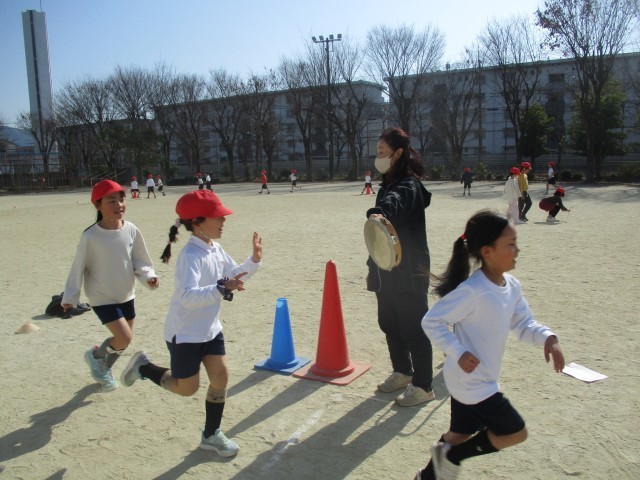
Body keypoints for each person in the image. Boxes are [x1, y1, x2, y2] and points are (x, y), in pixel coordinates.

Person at [415, 209, 565, 480]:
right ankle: (452, 458)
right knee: (515, 432)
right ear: (487, 251)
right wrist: (458, 351)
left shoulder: (512, 286)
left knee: (458, 435)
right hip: (473, 381)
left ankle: (427, 476)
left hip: (476, 377)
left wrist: (547, 337)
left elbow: (523, 324)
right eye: (511, 244)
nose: (517, 250)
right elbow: (432, 321)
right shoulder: (472, 291)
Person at [120, 189, 262, 458]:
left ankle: (211, 435)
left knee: (221, 376)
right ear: (197, 223)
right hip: (184, 334)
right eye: (217, 216)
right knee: (187, 388)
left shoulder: (215, 248)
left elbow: (233, 275)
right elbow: (187, 296)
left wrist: (253, 260)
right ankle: (143, 367)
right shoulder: (190, 256)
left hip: (210, 330)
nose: (223, 220)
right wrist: (222, 288)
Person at [61, 180, 159, 391]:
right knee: (124, 337)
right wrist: (70, 297)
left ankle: (102, 365)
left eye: (122, 199)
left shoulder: (131, 230)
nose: (119, 205)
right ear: (98, 205)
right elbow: (78, 266)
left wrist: (148, 276)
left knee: (123, 341)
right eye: (111, 201)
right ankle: (97, 358)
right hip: (102, 297)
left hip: (126, 294)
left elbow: (140, 260)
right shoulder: (90, 236)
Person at [366, 127, 435, 407]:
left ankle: (423, 385)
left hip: (409, 272)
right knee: (390, 324)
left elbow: (394, 206)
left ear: (398, 153)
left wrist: (379, 213)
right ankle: (403, 372)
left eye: (382, 152)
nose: (378, 157)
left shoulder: (409, 187)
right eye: (377, 152)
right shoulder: (387, 186)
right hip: (385, 269)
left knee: (413, 329)